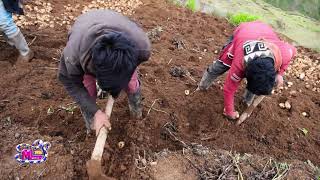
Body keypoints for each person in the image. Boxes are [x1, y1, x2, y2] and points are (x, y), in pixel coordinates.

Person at [58, 10, 151, 135]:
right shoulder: (74, 56)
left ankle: (136, 112)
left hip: (117, 24)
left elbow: (130, 67)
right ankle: (92, 127)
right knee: (88, 92)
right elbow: (69, 82)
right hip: (85, 27)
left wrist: (123, 78)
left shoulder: (142, 47)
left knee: (131, 84)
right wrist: (96, 112)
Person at [198, 21, 296, 120]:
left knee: (258, 82)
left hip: (263, 29)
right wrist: (229, 111)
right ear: (246, 73)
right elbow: (229, 89)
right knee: (220, 66)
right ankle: (202, 87)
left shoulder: (284, 53)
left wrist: (280, 74)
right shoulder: (239, 65)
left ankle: (246, 101)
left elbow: (293, 51)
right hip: (244, 31)